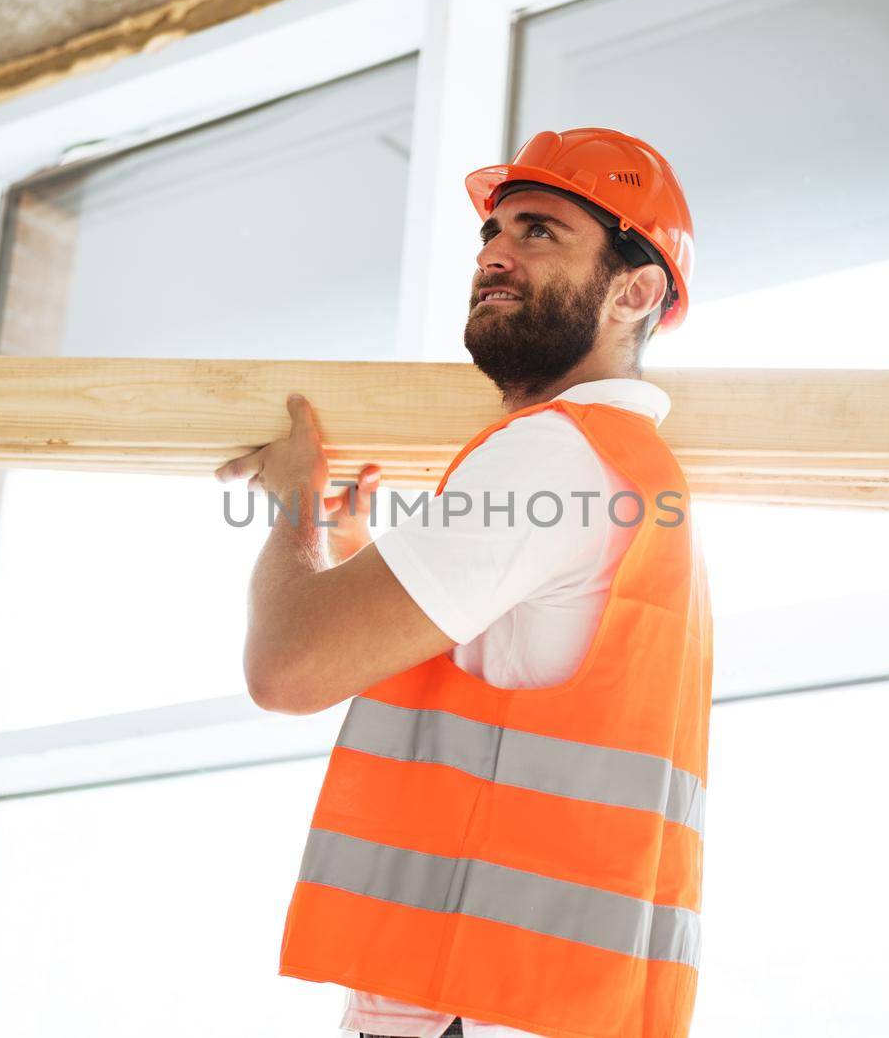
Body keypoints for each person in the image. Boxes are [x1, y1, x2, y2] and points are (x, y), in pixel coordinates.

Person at [214, 128, 713, 1038]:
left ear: (634, 291)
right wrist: (350, 553)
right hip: (521, 1004)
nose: (494, 252)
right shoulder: (620, 467)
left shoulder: (555, 455)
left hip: (475, 1009)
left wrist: (291, 501)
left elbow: (286, 667)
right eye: (493, 232)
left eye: (540, 232)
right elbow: (496, 702)